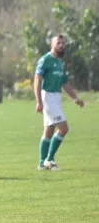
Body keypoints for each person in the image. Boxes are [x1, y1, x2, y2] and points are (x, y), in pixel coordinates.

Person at [34, 35, 84, 171]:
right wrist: (39, 101)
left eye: (63, 43)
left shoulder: (59, 62)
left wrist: (75, 98)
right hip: (47, 97)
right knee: (63, 128)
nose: (61, 45)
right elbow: (37, 80)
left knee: (48, 131)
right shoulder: (45, 60)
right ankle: (49, 160)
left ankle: (41, 163)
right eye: (58, 43)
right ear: (52, 45)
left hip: (56, 98)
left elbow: (64, 83)